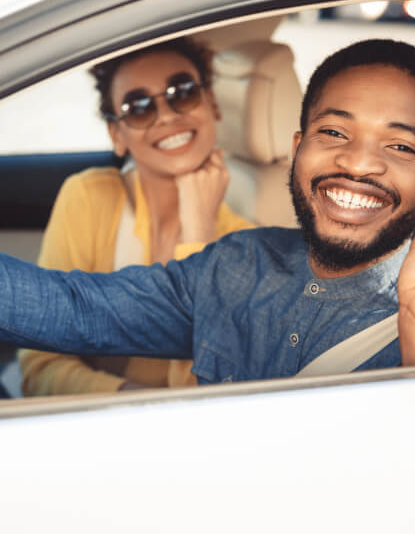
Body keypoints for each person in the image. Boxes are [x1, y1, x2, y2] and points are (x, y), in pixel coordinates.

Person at [1, 39, 415, 384]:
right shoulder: (237, 263)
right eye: (335, 133)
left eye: (400, 147)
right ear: (298, 148)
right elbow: (73, 309)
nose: (358, 163)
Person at [18, 37, 252, 395]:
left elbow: (209, 395)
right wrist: (130, 401)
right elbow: (40, 367)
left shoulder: (247, 246)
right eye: (140, 107)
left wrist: (199, 236)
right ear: (117, 135)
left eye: (183, 91)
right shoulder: (88, 197)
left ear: (213, 105)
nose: (168, 116)